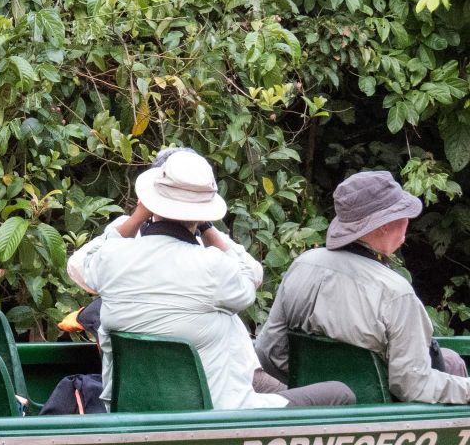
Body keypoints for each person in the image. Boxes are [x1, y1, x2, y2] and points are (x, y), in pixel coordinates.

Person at [67, 149, 354, 410]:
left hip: (136, 411)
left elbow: (83, 261)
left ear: (150, 201)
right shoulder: (215, 266)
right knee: (340, 394)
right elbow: (251, 276)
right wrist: (207, 229)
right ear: (204, 212)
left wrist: (136, 217)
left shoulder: (112, 258)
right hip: (217, 414)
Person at [256, 171, 470, 403]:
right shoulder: (396, 292)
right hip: (380, 410)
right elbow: (412, 386)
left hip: (322, 401)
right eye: (404, 215)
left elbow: (269, 351)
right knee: (452, 366)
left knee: (450, 359)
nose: (408, 223)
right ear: (384, 226)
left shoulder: (303, 265)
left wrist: (317, 380)